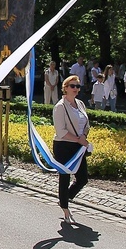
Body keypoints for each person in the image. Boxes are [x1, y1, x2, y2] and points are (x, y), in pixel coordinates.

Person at [52, 75, 91, 224]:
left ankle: (65, 197)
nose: (76, 89)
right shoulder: (60, 106)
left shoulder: (80, 104)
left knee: (82, 178)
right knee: (65, 176)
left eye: (78, 86)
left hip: (78, 145)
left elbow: (86, 124)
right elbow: (60, 131)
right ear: (65, 88)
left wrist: (84, 136)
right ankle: (65, 208)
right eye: (73, 86)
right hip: (64, 145)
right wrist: (78, 139)